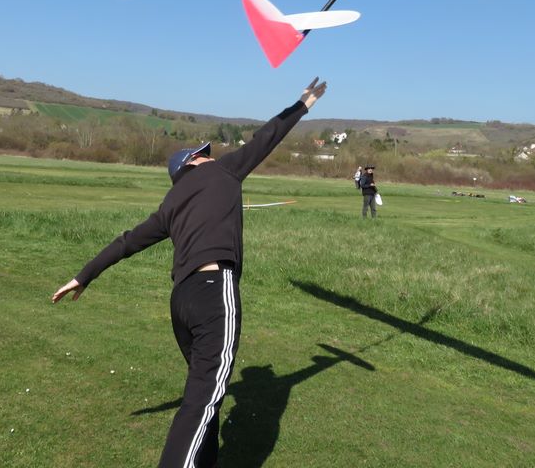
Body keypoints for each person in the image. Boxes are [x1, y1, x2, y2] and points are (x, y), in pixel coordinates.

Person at [52, 77, 328, 468]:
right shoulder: (223, 172)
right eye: (204, 154)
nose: (212, 155)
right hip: (215, 292)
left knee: (203, 394)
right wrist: (303, 104)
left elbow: (126, 242)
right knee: (202, 401)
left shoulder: (169, 204)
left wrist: (84, 275)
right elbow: (267, 138)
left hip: (181, 301)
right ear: (191, 165)